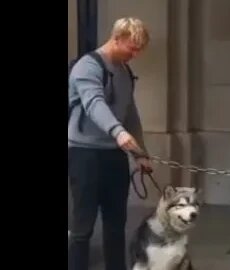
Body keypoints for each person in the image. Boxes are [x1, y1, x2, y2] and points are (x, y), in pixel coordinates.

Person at [68, 17, 153, 270]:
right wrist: (118, 132)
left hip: (114, 156)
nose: (135, 55)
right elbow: (94, 103)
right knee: (83, 227)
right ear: (116, 38)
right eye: (132, 48)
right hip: (84, 154)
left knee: (116, 226)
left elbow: (130, 113)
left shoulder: (124, 70)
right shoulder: (87, 67)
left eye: (139, 50)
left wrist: (141, 153)